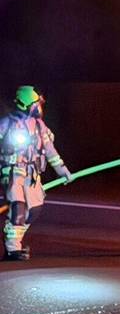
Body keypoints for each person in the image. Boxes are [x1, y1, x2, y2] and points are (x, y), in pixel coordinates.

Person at [0, 86, 72, 261]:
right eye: (36, 103)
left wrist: (63, 171)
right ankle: (12, 248)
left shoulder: (40, 126)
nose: (39, 107)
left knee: (34, 210)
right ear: (27, 104)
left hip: (32, 175)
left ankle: (15, 239)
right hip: (13, 172)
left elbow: (50, 150)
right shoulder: (6, 124)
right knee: (18, 208)